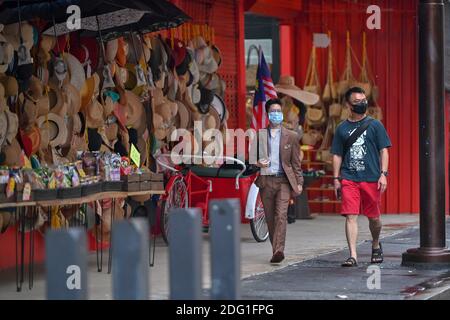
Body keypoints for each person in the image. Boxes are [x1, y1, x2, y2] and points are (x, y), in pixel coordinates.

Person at [331, 87, 392, 267]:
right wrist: (336, 179)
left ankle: (375, 244)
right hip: (349, 178)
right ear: (348, 105)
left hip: (371, 178)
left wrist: (383, 174)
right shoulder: (342, 128)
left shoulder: (375, 125)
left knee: (374, 219)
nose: (362, 104)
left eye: (364, 100)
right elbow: (337, 154)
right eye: (357, 102)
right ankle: (353, 255)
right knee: (351, 216)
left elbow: (384, 150)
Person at [254, 98, 304, 264]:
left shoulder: (291, 136)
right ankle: (275, 249)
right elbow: (252, 158)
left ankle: (278, 250)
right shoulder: (260, 135)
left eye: (278, 111)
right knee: (270, 218)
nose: (276, 114)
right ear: (268, 114)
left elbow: (296, 162)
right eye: (273, 111)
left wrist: (299, 182)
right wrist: (257, 162)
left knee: (281, 215)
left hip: (283, 181)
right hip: (266, 180)